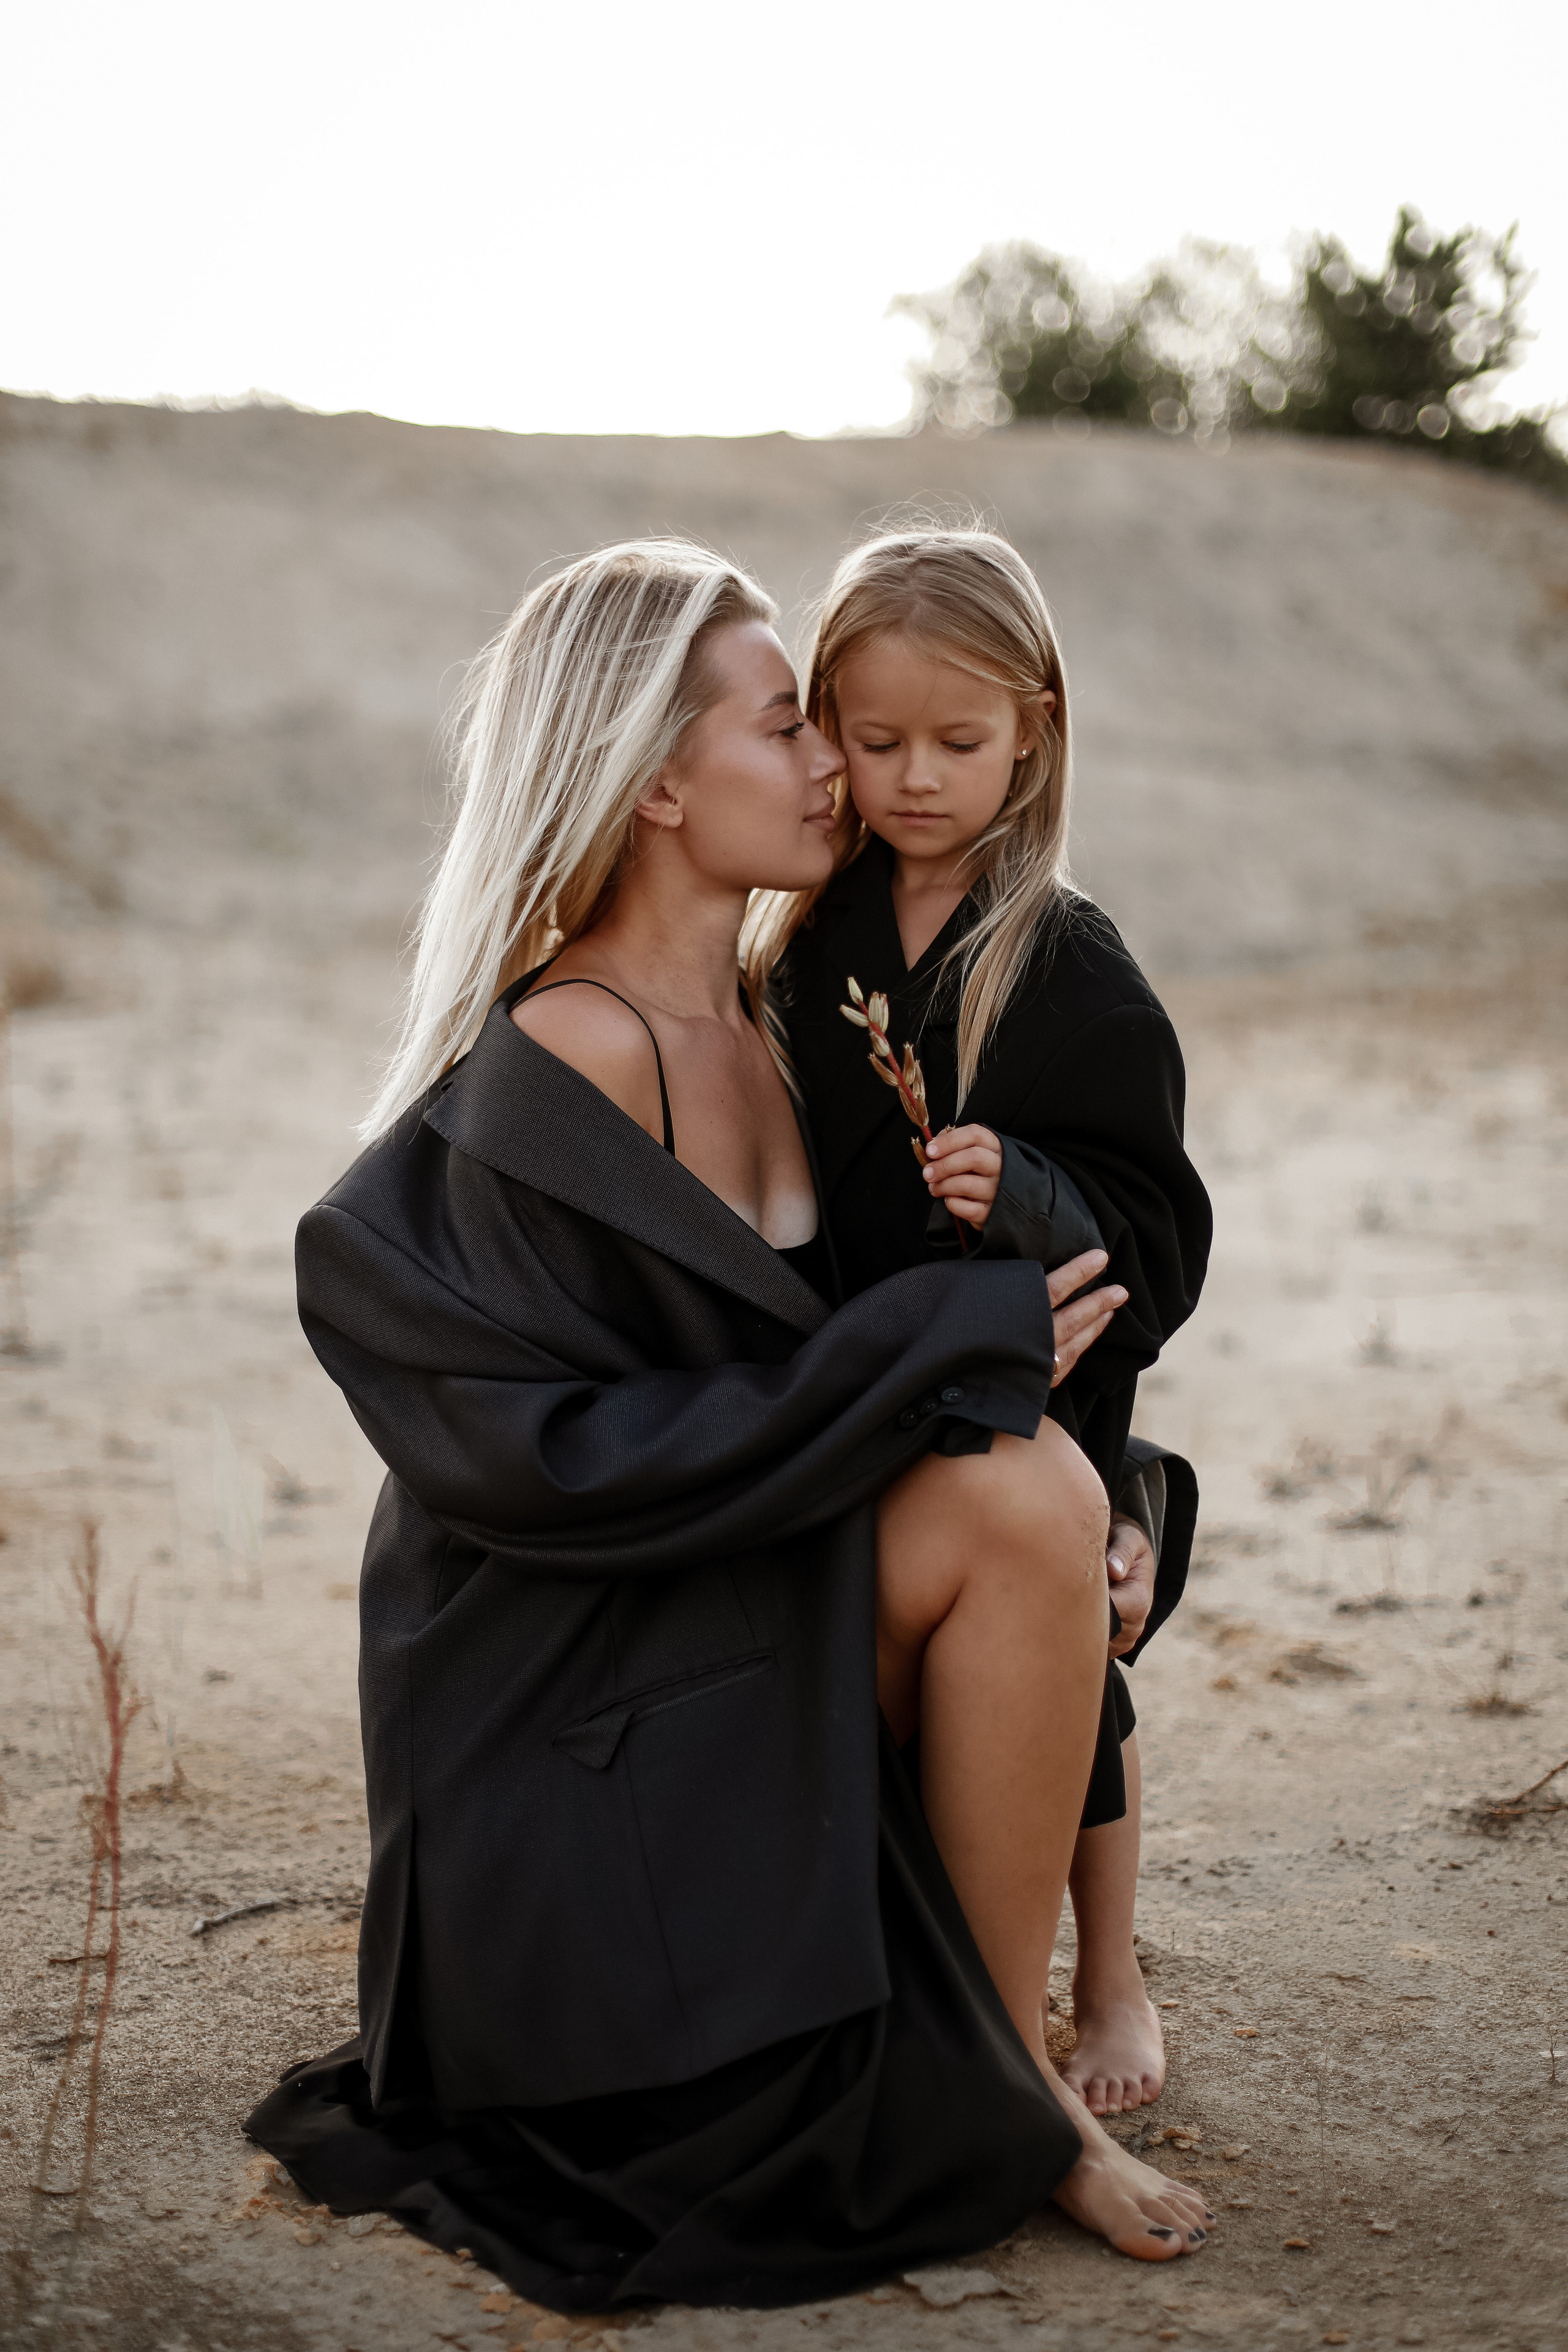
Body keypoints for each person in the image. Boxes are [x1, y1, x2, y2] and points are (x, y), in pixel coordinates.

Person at [244, 539, 1212, 2312]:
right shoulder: (570, 1055)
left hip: (731, 1591)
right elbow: (533, 1461)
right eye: (794, 725)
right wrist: (932, 1354)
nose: (843, 766)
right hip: (570, 1685)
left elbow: (937, 1366)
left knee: (1042, 1499)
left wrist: (1116, 1495)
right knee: (1014, 1504)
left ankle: (1008, 2080)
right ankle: (1000, 2089)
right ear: (660, 779)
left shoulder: (783, 1020)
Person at [752, 525, 1212, 2116]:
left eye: (958, 741)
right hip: (859, 1378)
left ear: (1035, 727)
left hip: (1038, 1392)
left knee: (1077, 1666)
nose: (917, 778)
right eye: (874, 742)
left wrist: (1028, 1194)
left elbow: (1161, 1227)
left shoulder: (1071, 969)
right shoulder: (806, 944)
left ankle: (1115, 1974)